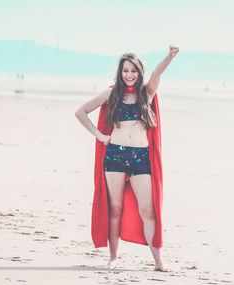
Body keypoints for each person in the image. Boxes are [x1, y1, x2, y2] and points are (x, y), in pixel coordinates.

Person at [75, 45, 179, 271]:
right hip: (115, 155)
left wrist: (170, 56)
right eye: (125, 71)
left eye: (133, 70)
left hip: (140, 157)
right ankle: (113, 258)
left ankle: (159, 261)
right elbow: (81, 112)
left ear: (139, 71)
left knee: (147, 210)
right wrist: (100, 135)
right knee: (115, 208)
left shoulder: (147, 92)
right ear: (120, 72)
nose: (129, 75)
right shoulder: (111, 93)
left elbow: (157, 74)